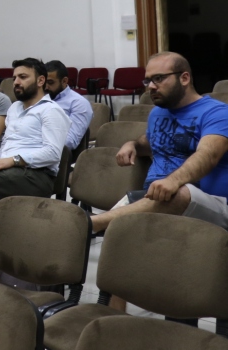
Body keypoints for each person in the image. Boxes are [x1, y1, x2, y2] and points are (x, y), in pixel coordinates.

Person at [91, 52, 228, 233]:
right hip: (154, 198)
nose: (151, 86)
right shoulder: (158, 112)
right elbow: (151, 142)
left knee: (178, 193)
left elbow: (208, 155)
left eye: (159, 78)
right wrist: (132, 144)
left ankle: (92, 224)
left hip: (208, 202)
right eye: (148, 81)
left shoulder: (217, 113)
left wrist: (173, 181)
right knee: (119, 236)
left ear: (184, 78)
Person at [0, 58, 70, 209]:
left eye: (23, 77)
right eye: (14, 78)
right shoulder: (14, 108)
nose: (16, 82)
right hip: (7, 174)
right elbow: (7, 143)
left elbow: (53, 153)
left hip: (35, 176)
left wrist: (13, 160)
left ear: (41, 81)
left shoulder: (51, 110)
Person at [44, 60, 93, 150]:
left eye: (50, 82)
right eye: (43, 82)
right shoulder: (39, 99)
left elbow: (69, 142)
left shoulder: (78, 103)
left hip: (55, 153)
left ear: (64, 81)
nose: (46, 87)